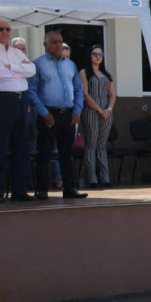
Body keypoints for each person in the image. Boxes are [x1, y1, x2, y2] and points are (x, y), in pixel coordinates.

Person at [27, 30, 87, 200]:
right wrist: (44, 112)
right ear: (45, 45)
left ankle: (70, 189)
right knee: (45, 153)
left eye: (60, 41)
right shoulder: (38, 64)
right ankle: (42, 190)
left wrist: (77, 110)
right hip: (48, 115)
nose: (58, 45)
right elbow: (32, 91)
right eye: (54, 42)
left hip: (68, 114)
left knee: (67, 153)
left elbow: (78, 89)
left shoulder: (70, 65)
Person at [0, 19, 36, 203]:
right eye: (1, 29)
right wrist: (18, 71)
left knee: (22, 145)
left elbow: (31, 70)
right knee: (1, 145)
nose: (5, 32)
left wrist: (12, 68)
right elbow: (1, 74)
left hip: (21, 100)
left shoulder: (16, 52)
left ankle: (19, 190)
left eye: (7, 29)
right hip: (3, 100)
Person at [79, 45, 116, 188]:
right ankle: (92, 178)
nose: (98, 57)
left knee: (102, 145)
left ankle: (105, 178)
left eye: (100, 54)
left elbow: (112, 94)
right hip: (92, 110)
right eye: (95, 54)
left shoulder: (106, 74)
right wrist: (100, 110)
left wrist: (109, 109)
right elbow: (85, 94)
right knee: (91, 144)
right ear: (89, 55)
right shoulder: (84, 72)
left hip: (107, 112)